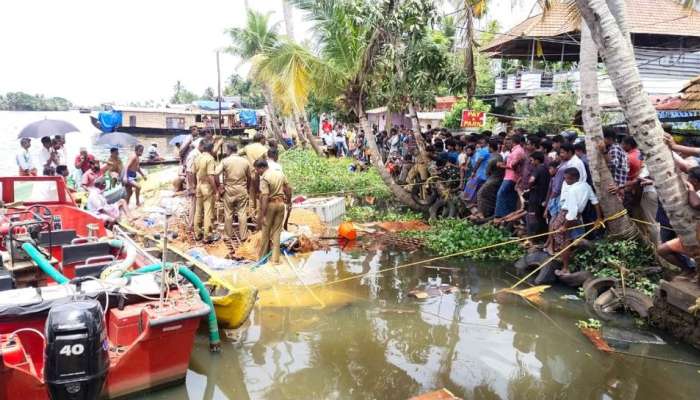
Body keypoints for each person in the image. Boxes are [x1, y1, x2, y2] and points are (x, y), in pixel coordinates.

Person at [548, 168, 603, 275]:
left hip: (567, 215)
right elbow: (595, 202)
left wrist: (564, 226)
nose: (565, 180)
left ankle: (565, 268)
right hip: (578, 216)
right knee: (570, 239)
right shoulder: (586, 186)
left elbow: (572, 212)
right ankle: (566, 259)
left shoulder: (572, 190)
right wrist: (599, 218)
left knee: (564, 239)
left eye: (567, 178)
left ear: (574, 178)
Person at [658, 166, 700, 282]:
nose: (687, 181)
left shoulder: (694, 193)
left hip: (696, 239)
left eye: (689, 179)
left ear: (695, 181)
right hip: (692, 236)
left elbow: (696, 204)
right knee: (662, 250)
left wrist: (691, 189)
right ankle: (689, 270)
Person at [255, 159, 292, 265]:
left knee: (265, 233)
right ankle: (275, 259)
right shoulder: (279, 173)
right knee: (276, 232)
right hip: (281, 205)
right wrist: (288, 202)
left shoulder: (265, 178)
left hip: (270, 205)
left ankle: (262, 259)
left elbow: (265, 196)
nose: (257, 172)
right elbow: (288, 189)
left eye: (257, 169)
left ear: (262, 167)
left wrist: (263, 214)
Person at [217, 143, 251, 241]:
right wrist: (247, 188)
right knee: (242, 213)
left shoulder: (225, 161)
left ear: (228, 150)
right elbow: (250, 177)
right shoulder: (245, 161)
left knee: (228, 213)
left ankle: (228, 235)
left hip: (229, 190)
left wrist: (219, 187)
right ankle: (243, 236)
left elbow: (215, 174)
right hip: (242, 189)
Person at [193, 141, 220, 242]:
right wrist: (216, 190)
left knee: (198, 210)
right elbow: (210, 176)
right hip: (207, 186)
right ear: (211, 149)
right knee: (208, 211)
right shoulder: (210, 159)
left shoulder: (198, 157)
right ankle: (207, 235)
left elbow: (195, 173)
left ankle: (197, 233)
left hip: (199, 185)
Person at [495, 135, 524, 218]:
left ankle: (500, 216)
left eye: (508, 141)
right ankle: (507, 214)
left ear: (513, 142)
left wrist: (502, 166)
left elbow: (514, 166)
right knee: (509, 196)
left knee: (501, 194)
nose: (507, 143)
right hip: (509, 176)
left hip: (511, 177)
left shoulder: (518, 151)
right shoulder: (515, 150)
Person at [239, 133, 269, 209]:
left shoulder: (247, 147)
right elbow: (268, 162)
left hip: (250, 173)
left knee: (251, 193)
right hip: (261, 174)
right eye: (264, 139)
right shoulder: (264, 149)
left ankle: (251, 212)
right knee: (260, 192)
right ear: (261, 139)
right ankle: (258, 212)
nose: (265, 141)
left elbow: (238, 153)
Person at [475, 139, 504, 219]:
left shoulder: (492, 159)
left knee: (480, 193)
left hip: (492, 179)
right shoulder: (499, 156)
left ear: (491, 148)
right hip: (499, 179)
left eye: (488, 147)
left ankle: (481, 213)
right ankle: (489, 211)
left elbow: (487, 172)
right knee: (491, 196)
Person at [527, 151, 550, 241]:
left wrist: (529, 187)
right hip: (543, 197)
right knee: (541, 219)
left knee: (534, 218)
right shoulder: (545, 169)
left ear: (537, 160)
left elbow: (531, 181)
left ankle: (535, 238)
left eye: (532, 160)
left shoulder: (537, 169)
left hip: (536, 197)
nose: (531, 163)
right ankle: (543, 237)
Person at [600, 127, 628, 193]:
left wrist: (604, 151)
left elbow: (614, 164)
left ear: (610, 138)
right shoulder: (611, 148)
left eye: (603, 138)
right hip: (617, 186)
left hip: (619, 186)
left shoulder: (614, 148)